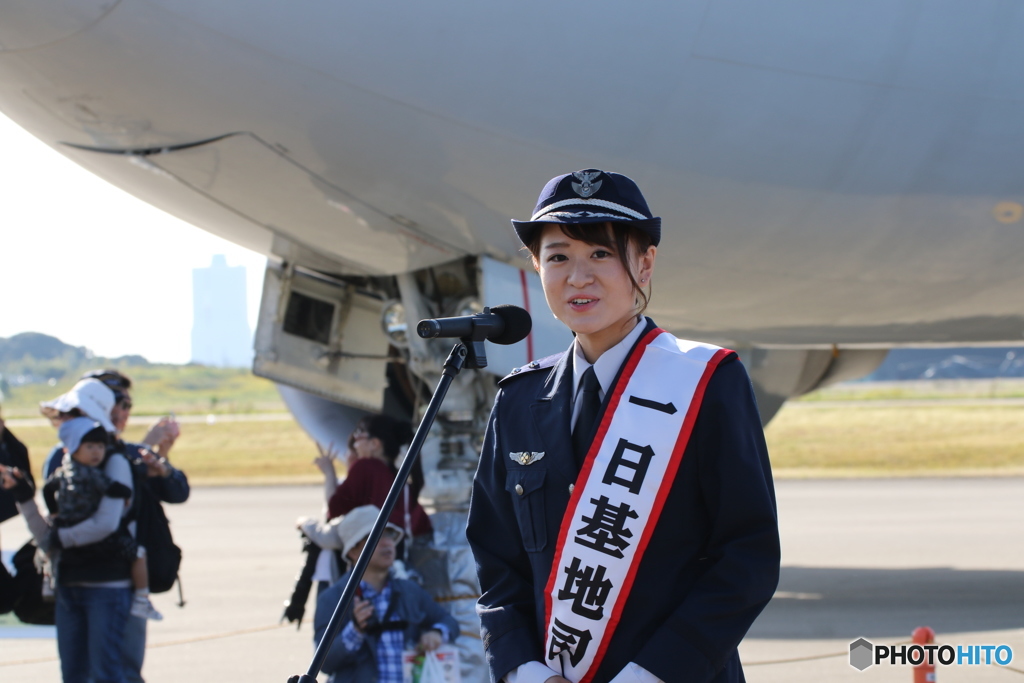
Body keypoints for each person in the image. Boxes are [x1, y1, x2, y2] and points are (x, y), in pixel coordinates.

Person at [466, 170, 781, 683]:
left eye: (601, 254)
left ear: (645, 263)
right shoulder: (520, 399)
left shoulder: (705, 383)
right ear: (537, 267)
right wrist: (525, 672)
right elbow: (496, 563)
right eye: (559, 256)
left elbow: (747, 557)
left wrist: (649, 675)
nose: (578, 277)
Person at [42, 370, 189, 683]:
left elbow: (178, 491)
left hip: (119, 579)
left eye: (127, 404)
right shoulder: (66, 454)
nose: (123, 411)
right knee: (79, 672)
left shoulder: (128, 456)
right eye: (118, 403)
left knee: (120, 671)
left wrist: (157, 463)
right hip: (75, 577)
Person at [3, 391, 135, 683]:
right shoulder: (60, 478)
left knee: (107, 672)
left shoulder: (113, 465)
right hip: (67, 586)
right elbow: (45, 534)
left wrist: (61, 540)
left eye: (68, 415)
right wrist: (23, 496)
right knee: (73, 673)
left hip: (106, 586)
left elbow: (105, 524)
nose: (60, 422)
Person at [313, 505, 460, 683]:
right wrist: (355, 630)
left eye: (389, 534)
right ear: (353, 551)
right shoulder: (332, 599)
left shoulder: (409, 590)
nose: (386, 543)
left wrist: (437, 633)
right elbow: (324, 663)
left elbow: (449, 622)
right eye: (374, 536)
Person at [43, 417, 163, 621]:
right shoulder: (89, 473)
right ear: (73, 448)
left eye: (100, 446)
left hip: (66, 522)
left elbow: (47, 489)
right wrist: (127, 491)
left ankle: (47, 581)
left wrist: (54, 512)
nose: (96, 452)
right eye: (89, 446)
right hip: (87, 527)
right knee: (138, 553)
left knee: (50, 548)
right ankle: (142, 598)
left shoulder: (63, 471)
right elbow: (113, 487)